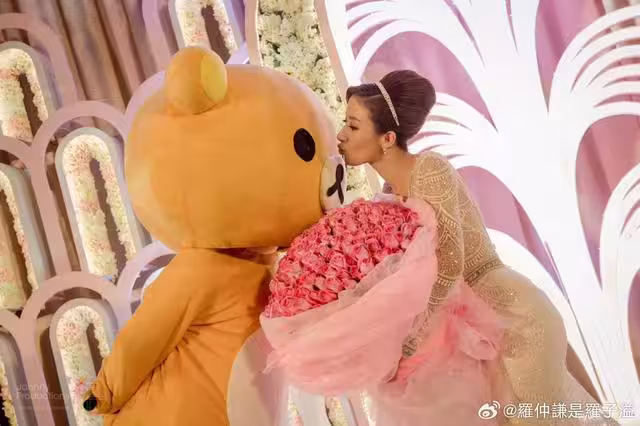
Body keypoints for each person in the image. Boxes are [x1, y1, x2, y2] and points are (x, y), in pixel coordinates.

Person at [337, 70, 601, 424]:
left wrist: (410, 340)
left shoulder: (429, 169)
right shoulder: (385, 198)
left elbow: (451, 262)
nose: (341, 135)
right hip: (464, 333)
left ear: (387, 138)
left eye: (352, 126)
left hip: (511, 316)